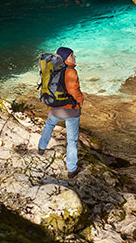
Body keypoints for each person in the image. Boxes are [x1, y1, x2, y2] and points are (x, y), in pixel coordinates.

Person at [38, 47, 85, 179]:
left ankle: (41, 148)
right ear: (65, 58)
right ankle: (71, 169)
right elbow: (74, 91)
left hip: (56, 108)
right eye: (71, 55)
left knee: (49, 124)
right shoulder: (70, 72)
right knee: (72, 140)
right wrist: (81, 100)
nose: (74, 57)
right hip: (70, 111)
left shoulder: (54, 71)